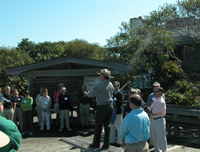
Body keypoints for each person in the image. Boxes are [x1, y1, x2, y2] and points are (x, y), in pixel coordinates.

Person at [84, 69, 114, 149]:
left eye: (100, 75)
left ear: (103, 76)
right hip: (110, 106)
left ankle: (96, 143)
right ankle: (106, 144)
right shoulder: (111, 84)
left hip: (102, 106)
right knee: (108, 126)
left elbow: (91, 94)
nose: (100, 77)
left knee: (98, 125)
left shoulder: (100, 84)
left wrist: (87, 93)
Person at [146, 82, 165, 147]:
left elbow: (160, 105)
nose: (155, 88)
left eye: (156, 87)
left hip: (159, 116)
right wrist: (153, 106)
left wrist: (153, 107)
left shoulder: (162, 96)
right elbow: (148, 103)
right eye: (154, 86)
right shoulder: (151, 95)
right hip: (152, 115)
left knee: (160, 133)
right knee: (152, 130)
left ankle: (162, 147)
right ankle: (153, 144)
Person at [149, 87, 167, 152]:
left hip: (159, 119)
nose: (155, 93)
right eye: (154, 92)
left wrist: (151, 111)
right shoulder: (156, 100)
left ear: (160, 92)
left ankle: (164, 150)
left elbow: (154, 111)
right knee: (155, 136)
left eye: (156, 91)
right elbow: (150, 108)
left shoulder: (161, 101)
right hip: (154, 119)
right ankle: (156, 149)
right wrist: (151, 110)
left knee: (161, 136)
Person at [110, 81, 124, 147]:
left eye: (116, 86)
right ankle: (112, 140)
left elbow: (120, 103)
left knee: (119, 127)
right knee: (112, 126)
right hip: (112, 113)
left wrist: (115, 103)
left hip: (118, 112)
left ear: (118, 87)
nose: (115, 87)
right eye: (114, 86)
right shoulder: (112, 94)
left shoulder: (120, 94)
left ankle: (119, 141)